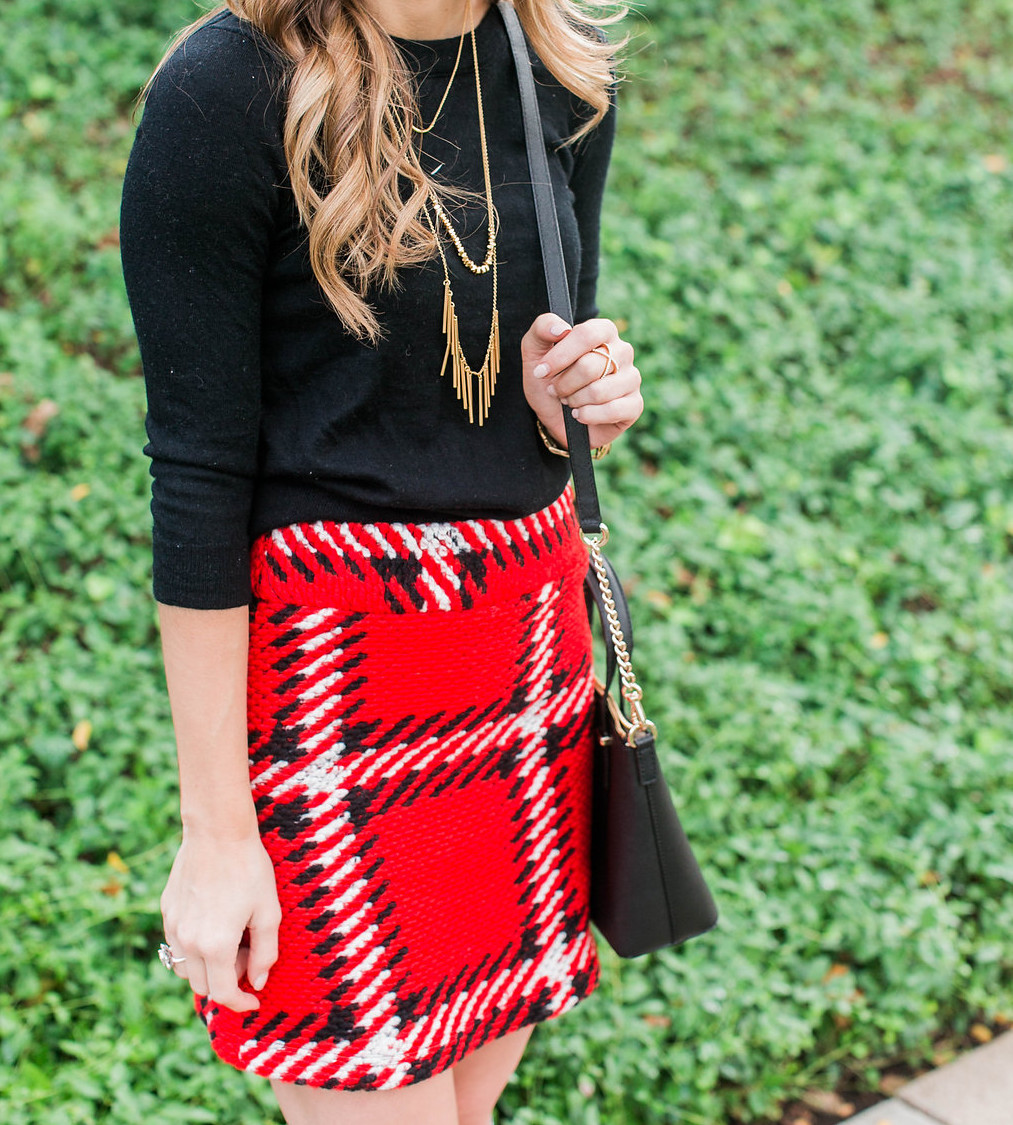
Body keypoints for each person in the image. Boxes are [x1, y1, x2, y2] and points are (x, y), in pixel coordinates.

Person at [120, 0, 642, 1121]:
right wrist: (217, 834)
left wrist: (569, 407)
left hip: (517, 658)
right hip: (339, 691)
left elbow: (525, 384)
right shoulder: (230, 87)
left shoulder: (564, 70)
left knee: (470, 1102)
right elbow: (200, 473)